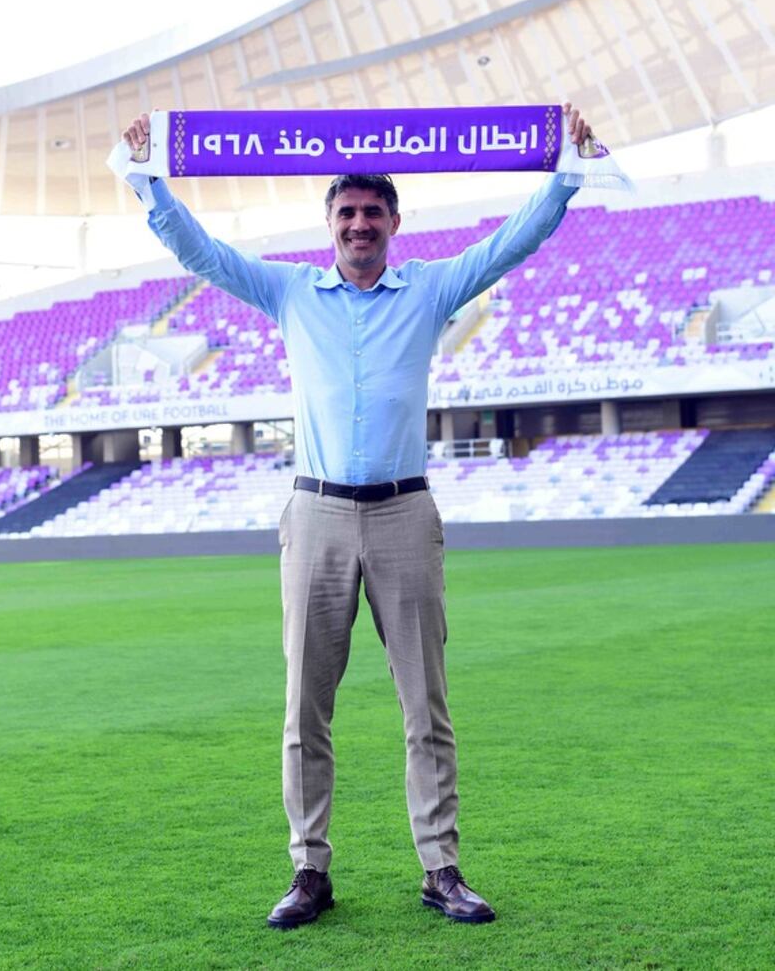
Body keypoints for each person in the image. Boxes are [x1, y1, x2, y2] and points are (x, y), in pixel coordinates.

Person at [122, 103, 592, 929]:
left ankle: (441, 868)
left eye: (373, 211)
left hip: (406, 513)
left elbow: (511, 241)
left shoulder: (435, 287)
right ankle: (309, 871)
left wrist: (567, 174)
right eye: (346, 212)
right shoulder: (292, 291)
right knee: (306, 705)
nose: (359, 223)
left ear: (395, 221)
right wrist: (148, 181)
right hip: (316, 517)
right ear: (329, 224)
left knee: (426, 701)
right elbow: (204, 253)